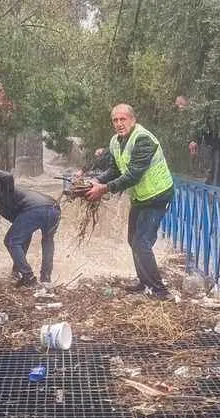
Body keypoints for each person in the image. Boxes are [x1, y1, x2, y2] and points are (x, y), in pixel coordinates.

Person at [85, 104, 174, 299]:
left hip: (158, 194)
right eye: (115, 120)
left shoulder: (143, 139)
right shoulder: (116, 142)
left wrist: (104, 189)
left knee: (142, 242)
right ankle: (144, 282)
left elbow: (133, 175)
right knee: (132, 239)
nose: (119, 124)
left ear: (133, 120)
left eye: (123, 119)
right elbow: (116, 170)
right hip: (141, 196)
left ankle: (160, 291)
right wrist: (98, 180)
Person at [0, 158, 61, 287]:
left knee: (10, 241)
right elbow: (23, 239)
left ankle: (29, 278)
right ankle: (46, 279)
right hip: (54, 208)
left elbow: (7, 177)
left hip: (36, 209)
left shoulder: (5, 194)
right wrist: (15, 270)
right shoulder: (19, 203)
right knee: (47, 241)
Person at [176, 95, 220, 186]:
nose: (179, 107)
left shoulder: (196, 110)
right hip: (210, 140)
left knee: (217, 157)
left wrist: (195, 140)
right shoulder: (192, 113)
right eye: (178, 105)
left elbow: (198, 127)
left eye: (180, 104)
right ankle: (212, 181)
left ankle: (215, 184)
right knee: (214, 159)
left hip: (215, 139)